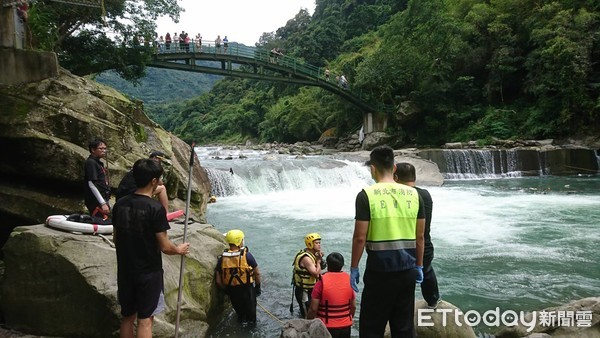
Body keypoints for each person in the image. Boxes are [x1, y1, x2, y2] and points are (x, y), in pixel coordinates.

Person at [351, 145, 425, 338]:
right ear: (394, 168)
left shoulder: (366, 195)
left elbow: (360, 237)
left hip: (379, 272)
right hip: (408, 271)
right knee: (404, 328)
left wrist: (354, 268)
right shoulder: (415, 195)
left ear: (372, 169)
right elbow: (420, 237)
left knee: (371, 328)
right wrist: (419, 265)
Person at [112, 158, 190, 338]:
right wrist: (179, 249)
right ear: (153, 181)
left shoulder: (119, 205)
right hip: (148, 272)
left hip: (125, 270)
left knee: (127, 317)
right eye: (160, 179)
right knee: (145, 320)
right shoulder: (155, 208)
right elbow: (164, 246)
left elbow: (116, 239)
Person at [394, 162, 441, 309]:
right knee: (427, 271)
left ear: (396, 177)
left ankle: (401, 307)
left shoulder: (398, 196)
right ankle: (433, 301)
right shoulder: (425, 194)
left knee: (402, 280)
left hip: (403, 245)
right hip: (425, 243)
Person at [215, 229, 262, 324]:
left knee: (240, 316)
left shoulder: (222, 259)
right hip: (247, 290)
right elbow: (257, 273)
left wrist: (226, 290)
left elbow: (218, 281)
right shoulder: (247, 256)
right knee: (252, 319)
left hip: (233, 292)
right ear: (239, 241)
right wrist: (257, 287)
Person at [307, 252, 356, 338]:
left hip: (326, 327)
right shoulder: (349, 281)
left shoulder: (320, 283)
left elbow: (313, 309)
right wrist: (348, 318)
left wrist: (308, 323)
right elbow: (353, 306)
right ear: (342, 265)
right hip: (345, 327)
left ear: (328, 265)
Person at [292, 232, 326, 318]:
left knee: (312, 311)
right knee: (306, 314)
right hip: (304, 291)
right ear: (310, 244)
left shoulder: (313, 254)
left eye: (319, 243)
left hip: (311, 289)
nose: (319, 245)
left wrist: (320, 259)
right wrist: (318, 262)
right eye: (316, 243)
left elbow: (323, 267)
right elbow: (315, 274)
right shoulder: (306, 258)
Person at [84, 138, 111, 219]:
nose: (104, 151)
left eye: (105, 149)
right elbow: (91, 183)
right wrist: (102, 203)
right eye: (101, 148)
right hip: (96, 200)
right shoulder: (91, 163)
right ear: (93, 150)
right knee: (99, 220)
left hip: (102, 197)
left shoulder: (98, 163)